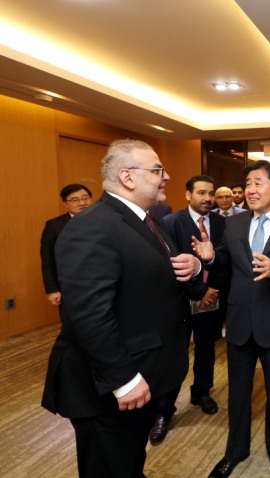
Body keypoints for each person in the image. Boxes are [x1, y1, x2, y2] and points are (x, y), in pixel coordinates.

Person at [41, 139, 201, 477]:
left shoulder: (146, 221)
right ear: (127, 177)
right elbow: (88, 315)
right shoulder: (92, 226)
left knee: (128, 463)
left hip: (142, 374)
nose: (166, 176)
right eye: (157, 170)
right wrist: (123, 379)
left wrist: (194, 266)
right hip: (108, 388)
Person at [193, 160, 270, 478]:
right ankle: (235, 450)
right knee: (238, 393)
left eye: (258, 182)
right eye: (248, 183)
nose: (250, 189)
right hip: (239, 321)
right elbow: (224, 259)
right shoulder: (234, 223)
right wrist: (210, 256)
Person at [148, 175, 228, 445]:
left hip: (212, 299)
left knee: (206, 348)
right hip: (180, 301)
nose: (208, 198)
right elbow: (169, 265)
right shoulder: (170, 223)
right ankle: (163, 410)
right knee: (175, 354)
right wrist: (200, 290)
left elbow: (226, 261)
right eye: (202, 193)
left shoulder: (223, 223)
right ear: (188, 195)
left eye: (211, 193)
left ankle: (201, 392)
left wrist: (212, 290)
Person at [40, 183, 93, 306]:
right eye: (75, 200)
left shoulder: (102, 221)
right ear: (65, 203)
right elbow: (48, 259)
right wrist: (52, 289)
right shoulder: (54, 226)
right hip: (70, 286)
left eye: (85, 198)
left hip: (101, 283)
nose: (82, 203)